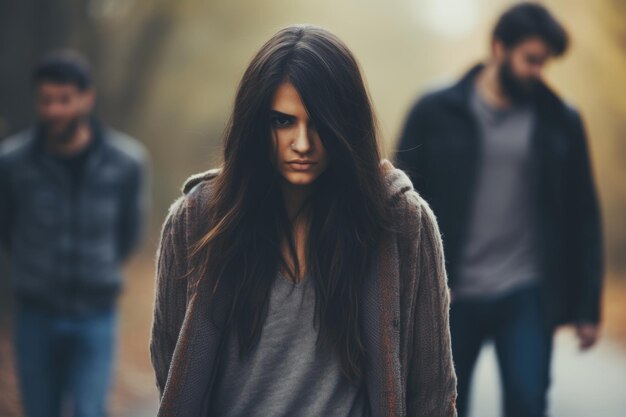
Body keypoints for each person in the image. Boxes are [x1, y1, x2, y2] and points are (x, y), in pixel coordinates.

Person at [150, 24, 457, 417]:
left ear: (346, 124)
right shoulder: (196, 222)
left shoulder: (402, 224)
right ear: (255, 123)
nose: (303, 143)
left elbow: (432, 391)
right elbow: (171, 373)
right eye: (283, 121)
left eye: (319, 123)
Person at [395, 3, 603, 417]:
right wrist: (411, 283)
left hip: (525, 291)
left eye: (543, 63)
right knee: (442, 406)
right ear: (498, 47)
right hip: (448, 293)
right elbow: (399, 201)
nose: (537, 72)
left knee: (528, 402)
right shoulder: (434, 111)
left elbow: (583, 214)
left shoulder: (561, 120)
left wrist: (587, 308)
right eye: (530, 60)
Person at [0, 50, 149, 417]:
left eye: (64, 100)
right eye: (46, 100)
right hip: (35, 315)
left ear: (87, 98)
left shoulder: (126, 161)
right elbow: (6, 230)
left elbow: (130, 233)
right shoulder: (12, 163)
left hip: (96, 315)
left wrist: (98, 271)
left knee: (89, 410)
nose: (54, 111)